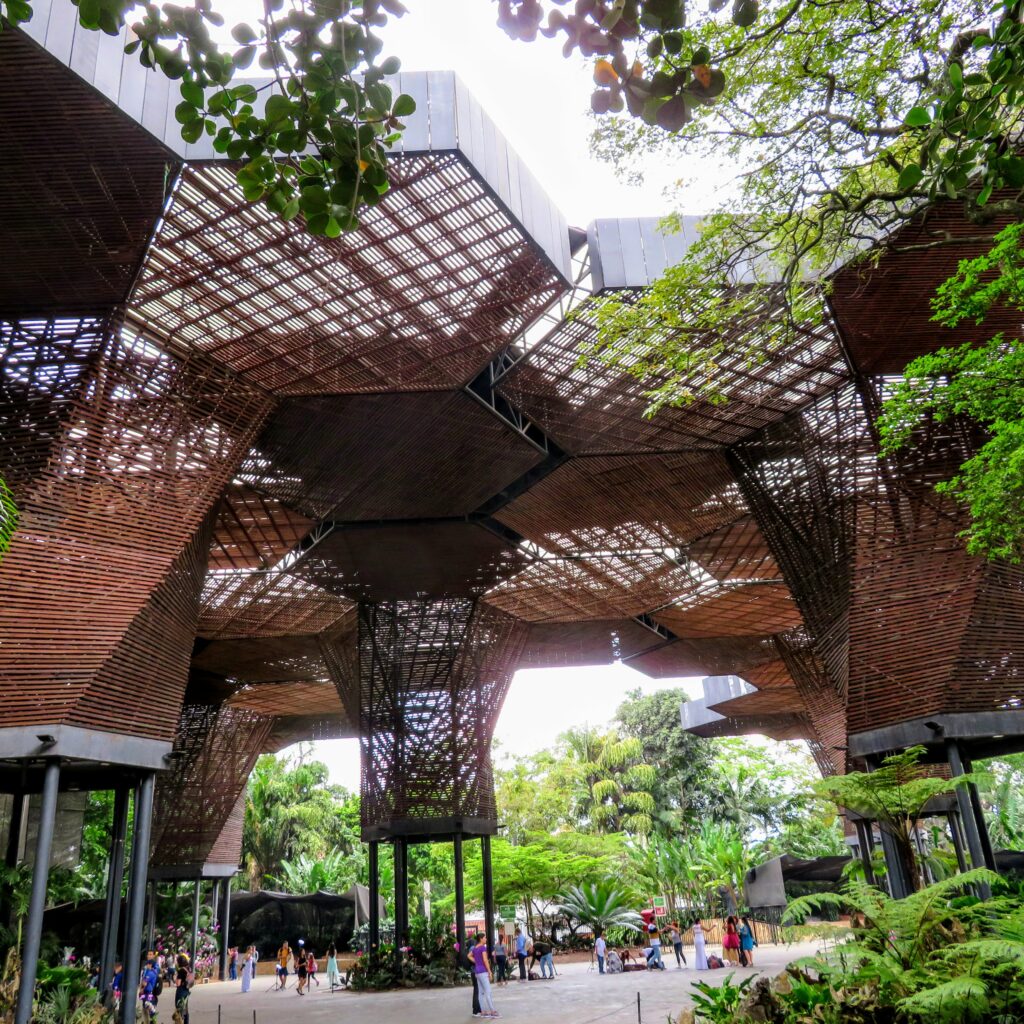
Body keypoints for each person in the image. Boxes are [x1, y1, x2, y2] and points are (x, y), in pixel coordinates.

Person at [471, 933, 499, 1019]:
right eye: (485, 938)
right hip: (483, 971)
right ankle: (492, 1011)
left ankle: (483, 1011)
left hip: (477, 972)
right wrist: (490, 972)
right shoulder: (483, 948)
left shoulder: (475, 948)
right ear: (480, 938)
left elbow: (469, 956)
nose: (486, 939)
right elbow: (485, 960)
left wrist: (477, 962)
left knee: (481, 992)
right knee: (488, 991)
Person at [139, 958, 160, 1024]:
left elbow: (144, 983)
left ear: (150, 965)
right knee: (146, 1007)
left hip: (148, 993)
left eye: (147, 964)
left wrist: (141, 989)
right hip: (149, 993)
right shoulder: (154, 972)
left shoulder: (150, 973)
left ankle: (152, 1017)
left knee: (146, 1007)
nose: (146, 965)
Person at [174, 955, 191, 1024]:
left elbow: (178, 983)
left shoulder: (181, 970)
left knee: (179, 1008)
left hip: (181, 991)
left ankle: (179, 1022)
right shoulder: (188, 968)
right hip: (186, 990)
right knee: (185, 1008)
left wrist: (175, 978)